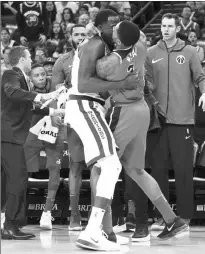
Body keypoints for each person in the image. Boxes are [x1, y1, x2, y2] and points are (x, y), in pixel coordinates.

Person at [92, 21, 191, 243]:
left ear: (118, 39)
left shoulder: (111, 63)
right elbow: (130, 38)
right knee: (136, 170)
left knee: (102, 168)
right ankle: (172, 218)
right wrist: (107, 34)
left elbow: (97, 70)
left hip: (123, 111)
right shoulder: (141, 48)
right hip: (142, 111)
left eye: (114, 31)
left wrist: (97, 40)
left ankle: (104, 231)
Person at [64, 9, 140, 251]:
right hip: (84, 105)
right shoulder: (94, 44)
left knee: (105, 165)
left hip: (89, 106)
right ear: (98, 27)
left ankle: (103, 231)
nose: (115, 28)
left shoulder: (103, 46)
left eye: (118, 24)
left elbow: (97, 85)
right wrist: (122, 83)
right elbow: (84, 83)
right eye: (111, 24)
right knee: (112, 165)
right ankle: (92, 231)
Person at [145, 13, 205, 229]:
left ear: (176, 28)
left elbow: (201, 77)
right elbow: (145, 83)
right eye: (163, 26)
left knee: (183, 170)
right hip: (157, 122)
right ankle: (162, 216)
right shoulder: (151, 53)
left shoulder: (190, 52)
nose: (166, 29)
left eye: (170, 26)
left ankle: (185, 216)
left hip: (182, 121)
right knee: (158, 170)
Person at [1, 46, 64, 240]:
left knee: (12, 180)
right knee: (18, 179)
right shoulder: (11, 74)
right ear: (21, 59)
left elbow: (28, 106)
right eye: (29, 57)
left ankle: (11, 224)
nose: (31, 60)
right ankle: (10, 226)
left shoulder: (21, 78)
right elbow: (12, 92)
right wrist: (41, 96)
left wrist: (52, 112)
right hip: (9, 137)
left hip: (11, 137)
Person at [50, 24, 89, 231]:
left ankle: (101, 217)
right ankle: (75, 215)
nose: (80, 37)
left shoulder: (99, 57)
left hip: (95, 116)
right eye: (77, 34)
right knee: (75, 166)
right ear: (70, 37)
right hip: (74, 117)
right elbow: (56, 89)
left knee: (99, 166)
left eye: (84, 34)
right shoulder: (62, 61)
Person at [23, 64, 65, 230]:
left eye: (42, 74)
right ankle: (8, 211)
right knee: (21, 172)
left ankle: (47, 213)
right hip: (33, 133)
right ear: (31, 79)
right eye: (36, 76)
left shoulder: (58, 90)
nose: (40, 78)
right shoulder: (27, 93)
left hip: (54, 132)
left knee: (54, 169)